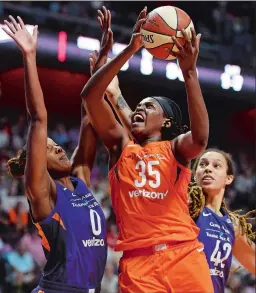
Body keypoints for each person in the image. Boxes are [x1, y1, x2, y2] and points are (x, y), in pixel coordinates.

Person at [82, 6, 213, 293]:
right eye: (137, 107)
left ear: (165, 120)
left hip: (184, 256)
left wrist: (189, 72)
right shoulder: (120, 146)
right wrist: (130, 49)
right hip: (138, 266)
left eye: (148, 106)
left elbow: (201, 138)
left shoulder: (175, 150)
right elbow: (90, 96)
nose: (139, 109)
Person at [3, 16, 107, 293]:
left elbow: (88, 121)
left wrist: (99, 73)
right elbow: (38, 118)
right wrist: (29, 55)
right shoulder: (42, 192)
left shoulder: (79, 181)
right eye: (49, 149)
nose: (59, 147)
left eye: (56, 144)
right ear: (38, 165)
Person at [189, 149, 255, 292]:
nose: (208, 169)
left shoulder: (233, 224)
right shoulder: (183, 209)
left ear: (228, 178)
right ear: (195, 176)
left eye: (216, 166)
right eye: (203, 165)